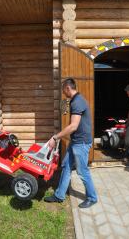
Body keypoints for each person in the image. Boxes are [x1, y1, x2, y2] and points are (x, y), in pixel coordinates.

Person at [44, 78, 98, 209]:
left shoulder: (77, 102)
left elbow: (73, 126)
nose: (63, 93)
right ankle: (59, 195)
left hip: (81, 143)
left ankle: (92, 197)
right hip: (75, 141)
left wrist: (55, 137)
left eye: (63, 90)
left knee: (82, 171)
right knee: (66, 167)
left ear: (68, 88)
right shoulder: (75, 100)